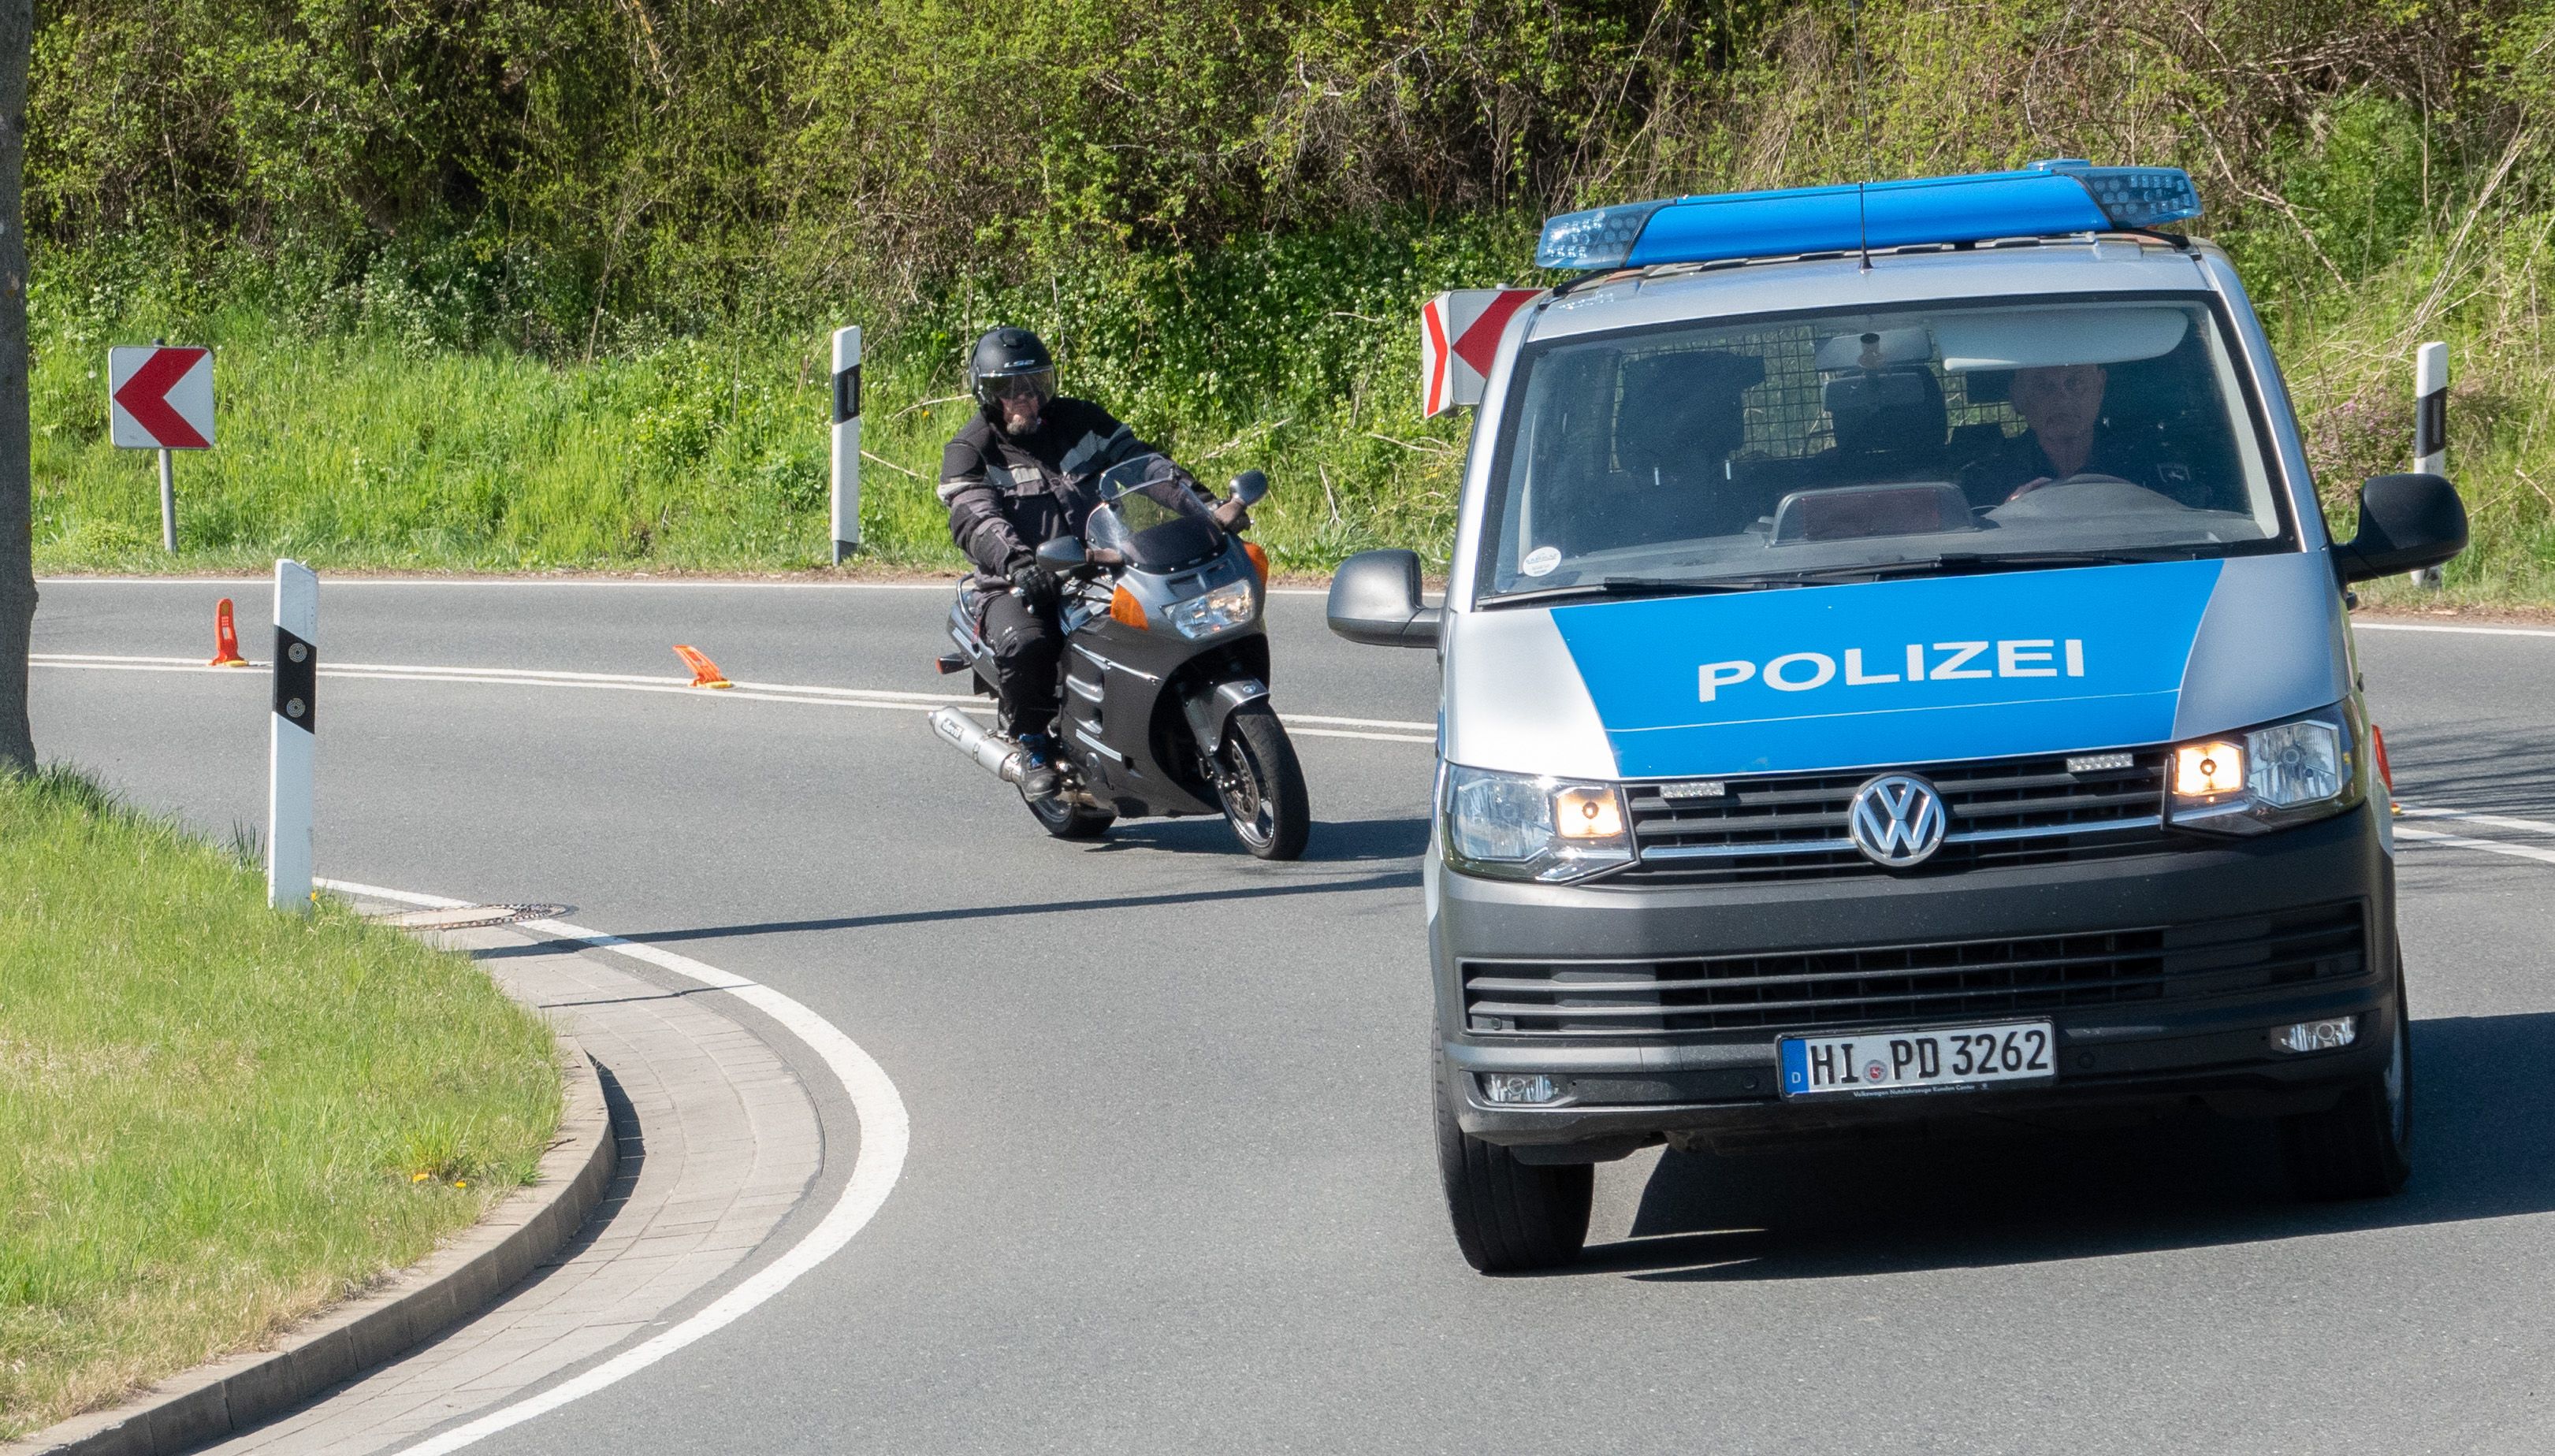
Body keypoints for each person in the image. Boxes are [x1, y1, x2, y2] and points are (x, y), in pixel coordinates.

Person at [938, 326, 1155, 799]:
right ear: (986, 393)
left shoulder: (1080, 421)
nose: (1025, 400)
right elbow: (975, 518)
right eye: (1008, 390)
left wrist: (1202, 505)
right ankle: (1032, 742)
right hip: (1018, 581)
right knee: (1027, 643)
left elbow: (1144, 465)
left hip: (1104, 563)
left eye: (1035, 385)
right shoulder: (970, 450)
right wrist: (1019, 564)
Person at [1960, 362, 2145, 504]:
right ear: (2017, 395)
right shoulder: (1985, 479)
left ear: (2100, 387)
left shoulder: (2146, 464)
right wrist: (2008, 515)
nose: (2061, 398)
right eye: (2043, 386)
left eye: (2076, 383)